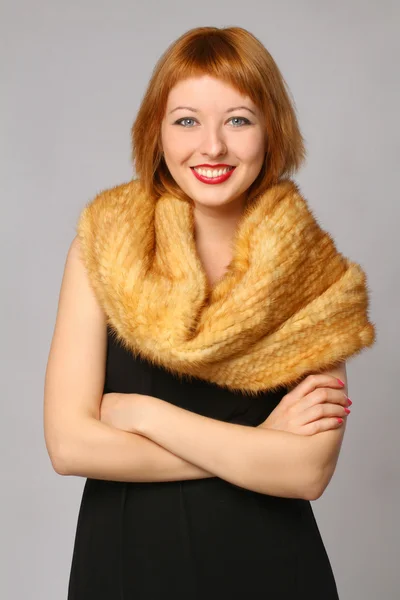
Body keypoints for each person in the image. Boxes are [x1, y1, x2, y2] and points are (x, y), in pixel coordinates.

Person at [44, 26, 376, 599]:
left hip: (271, 570)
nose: (213, 147)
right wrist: (255, 444)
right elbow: (70, 446)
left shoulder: (314, 276)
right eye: (187, 120)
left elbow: (306, 473)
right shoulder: (104, 246)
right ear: (158, 132)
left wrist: (142, 412)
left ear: (272, 130)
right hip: (125, 567)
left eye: (239, 119)